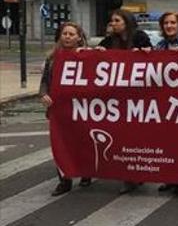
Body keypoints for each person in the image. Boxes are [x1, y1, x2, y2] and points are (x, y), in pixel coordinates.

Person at [96, 10, 152, 194]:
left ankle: (137, 173)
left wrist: (145, 52)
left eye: (117, 20)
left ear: (126, 22)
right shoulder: (110, 40)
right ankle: (128, 176)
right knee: (121, 137)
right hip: (116, 97)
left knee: (136, 136)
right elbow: (96, 55)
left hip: (138, 96)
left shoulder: (140, 37)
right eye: (111, 20)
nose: (113, 23)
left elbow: (154, 57)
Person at [41, 22, 93, 196]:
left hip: (81, 108)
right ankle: (64, 180)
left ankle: (86, 172)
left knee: (82, 141)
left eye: (72, 34)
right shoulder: (52, 58)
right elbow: (45, 82)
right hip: (59, 109)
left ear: (79, 37)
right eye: (65, 34)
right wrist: (43, 95)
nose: (68, 37)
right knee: (60, 144)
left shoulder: (87, 56)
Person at [153, 12, 178, 195]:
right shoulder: (160, 46)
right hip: (163, 99)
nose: (169, 26)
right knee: (165, 141)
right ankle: (169, 177)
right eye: (166, 23)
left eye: (172, 23)